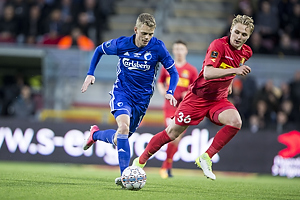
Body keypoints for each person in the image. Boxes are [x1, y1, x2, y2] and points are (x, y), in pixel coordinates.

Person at [132, 14, 255, 180]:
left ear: (249, 36)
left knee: (236, 122)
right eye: (237, 32)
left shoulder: (246, 52)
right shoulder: (218, 45)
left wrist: (230, 82)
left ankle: (206, 157)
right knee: (172, 133)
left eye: (244, 35)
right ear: (231, 30)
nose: (239, 37)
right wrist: (235, 72)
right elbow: (209, 73)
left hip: (217, 99)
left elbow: (232, 65)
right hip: (197, 98)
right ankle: (140, 161)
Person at [81, 13, 179, 187]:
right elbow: (98, 50)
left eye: (150, 34)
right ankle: (125, 176)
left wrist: (171, 91)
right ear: (136, 30)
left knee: (121, 137)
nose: (147, 37)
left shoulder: (158, 47)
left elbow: (173, 72)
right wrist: (90, 73)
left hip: (141, 101)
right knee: (123, 127)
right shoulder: (121, 44)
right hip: (122, 93)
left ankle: (95, 134)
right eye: (144, 33)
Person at [157, 40, 198, 179]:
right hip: (169, 107)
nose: (179, 51)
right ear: (173, 51)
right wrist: (163, 91)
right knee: (172, 135)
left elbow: (196, 89)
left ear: (186, 51)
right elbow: (160, 82)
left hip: (185, 108)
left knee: (177, 138)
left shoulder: (191, 70)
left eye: (181, 49)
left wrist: (188, 94)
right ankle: (165, 167)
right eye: (176, 49)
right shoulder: (167, 67)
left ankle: (167, 166)